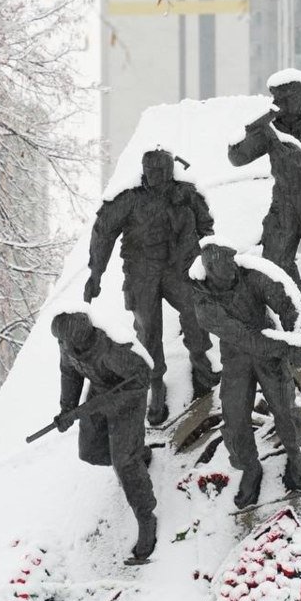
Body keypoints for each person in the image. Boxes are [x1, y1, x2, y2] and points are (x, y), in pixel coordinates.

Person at [85, 148, 216, 425]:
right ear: (144, 172)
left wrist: (207, 259)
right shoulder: (129, 198)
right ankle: (156, 383)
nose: (158, 177)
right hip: (141, 272)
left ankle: (200, 360)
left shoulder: (184, 193)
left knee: (195, 309)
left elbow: (206, 226)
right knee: (147, 328)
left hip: (177, 268)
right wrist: (95, 274)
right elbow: (103, 232)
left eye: (163, 172)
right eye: (153, 172)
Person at [227, 70, 301, 365]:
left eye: (287, 96)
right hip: (283, 202)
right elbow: (237, 158)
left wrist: (281, 141)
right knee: (275, 262)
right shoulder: (273, 124)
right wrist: (252, 132)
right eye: (277, 98)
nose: (281, 103)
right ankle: (297, 306)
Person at [189, 241, 301, 509]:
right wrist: (287, 346)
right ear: (212, 272)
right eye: (226, 270)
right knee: (234, 416)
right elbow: (246, 338)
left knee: (284, 405)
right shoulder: (204, 303)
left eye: (234, 266)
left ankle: (294, 451)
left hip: (269, 348)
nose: (233, 272)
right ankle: (249, 466)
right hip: (238, 355)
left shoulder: (251, 273)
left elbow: (288, 300)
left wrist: (296, 335)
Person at [52, 310, 157, 563]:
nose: (64, 345)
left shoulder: (113, 350)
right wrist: (67, 409)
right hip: (99, 394)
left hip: (128, 398)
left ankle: (146, 518)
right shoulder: (67, 344)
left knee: (124, 461)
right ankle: (139, 455)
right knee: (90, 451)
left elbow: (143, 378)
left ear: (81, 337)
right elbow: (69, 373)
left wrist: (111, 402)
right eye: (62, 341)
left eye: (67, 341)